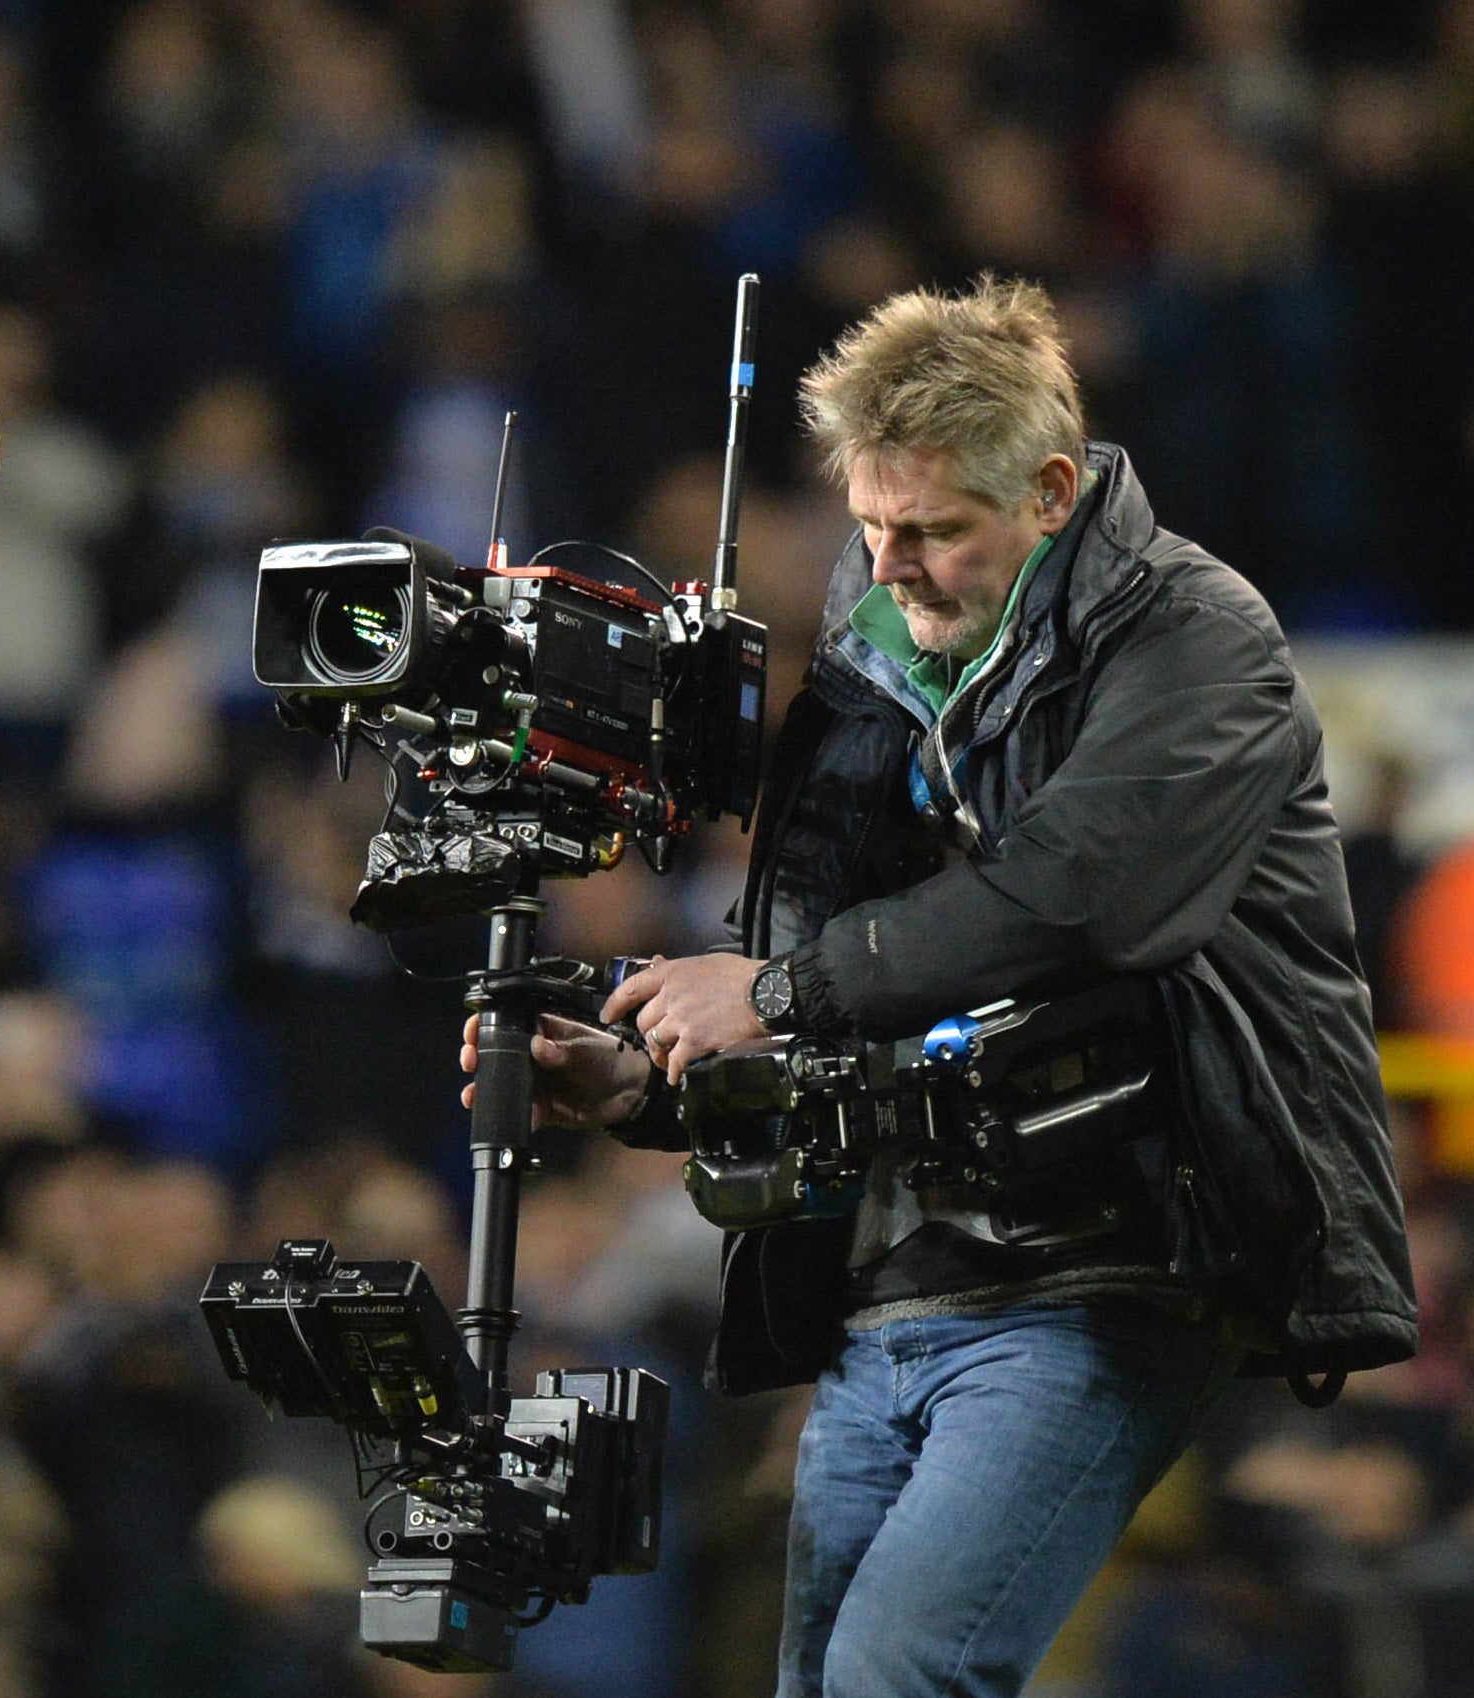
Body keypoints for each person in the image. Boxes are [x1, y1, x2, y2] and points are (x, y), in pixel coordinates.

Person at [461, 276, 1416, 1697]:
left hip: (1113, 1264)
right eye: (869, 525)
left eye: (934, 530)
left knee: (900, 1672)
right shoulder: (872, 663)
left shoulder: (1197, 637)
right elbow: (851, 980)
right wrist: (653, 1079)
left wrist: (771, 993)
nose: (893, 563)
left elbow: (1070, 895)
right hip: (895, 1280)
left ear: (1047, 488)